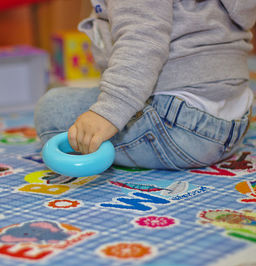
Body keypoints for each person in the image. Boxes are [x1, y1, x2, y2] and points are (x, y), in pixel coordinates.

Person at [35, 0, 256, 170]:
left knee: (52, 107)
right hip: (234, 120)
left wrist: (107, 113)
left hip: (180, 125)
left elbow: (142, 42)